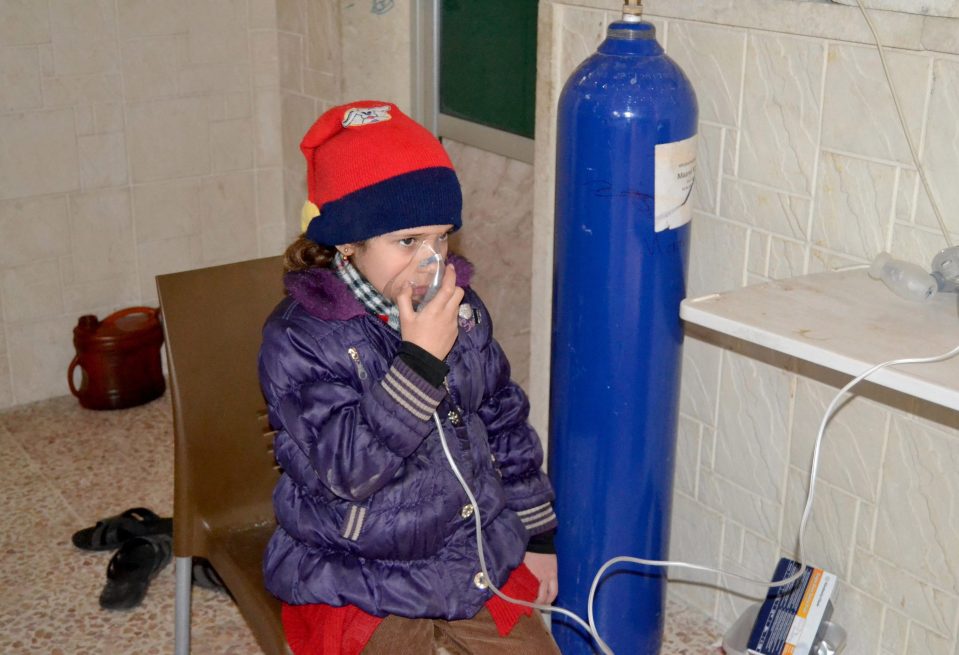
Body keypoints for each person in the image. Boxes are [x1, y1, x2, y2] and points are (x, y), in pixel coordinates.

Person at [258, 100, 560, 654]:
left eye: (441, 238)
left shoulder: (461, 312)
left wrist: (538, 533)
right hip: (357, 568)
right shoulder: (300, 338)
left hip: (467, 550)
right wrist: (419, 363)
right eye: (407, 242)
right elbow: (346, 470)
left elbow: (504, 419)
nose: (431, 261)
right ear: (346, 242)